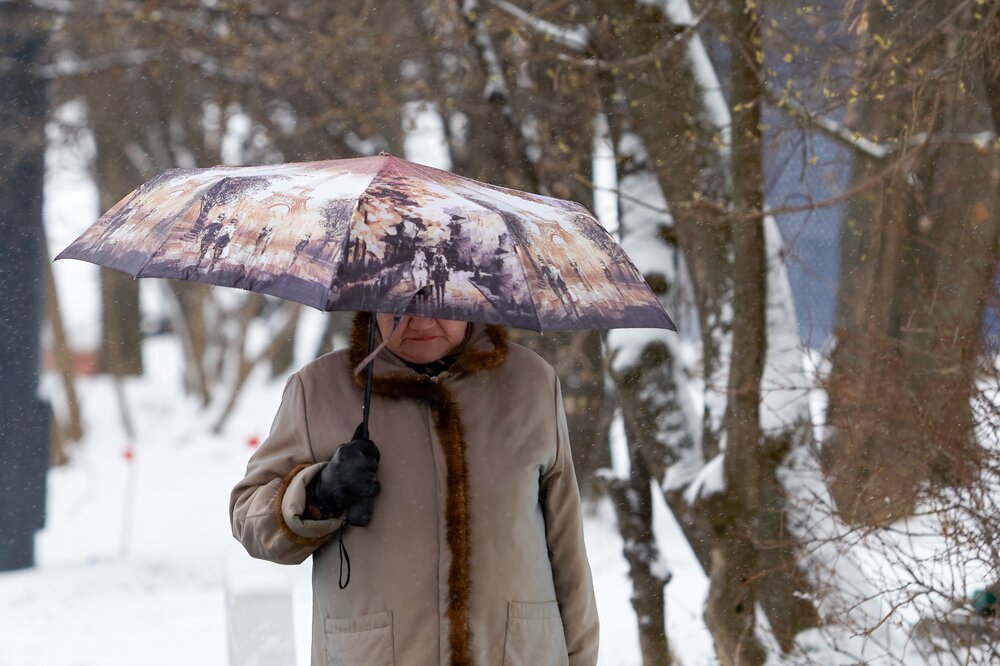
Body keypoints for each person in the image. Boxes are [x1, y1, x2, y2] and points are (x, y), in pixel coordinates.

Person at [230, 313, 600, 666]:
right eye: (401, 301)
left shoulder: (530, 382)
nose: (420, 321)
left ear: (469, 295)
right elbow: (248, 515)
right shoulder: (319, 389)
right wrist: (318, 495)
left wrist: (580, 656)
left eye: (437, 300)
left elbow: (567, 549)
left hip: (517, 652)